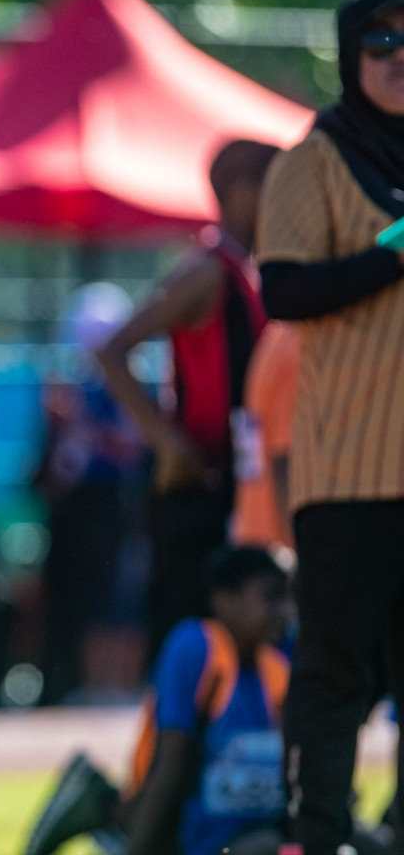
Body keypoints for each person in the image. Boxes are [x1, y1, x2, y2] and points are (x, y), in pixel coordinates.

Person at [256, 0, 404, 855]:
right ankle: (316, 840)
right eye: (381, 45)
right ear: (352, 55)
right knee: (336, 677)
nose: (397, 62)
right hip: (350, 473)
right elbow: (284, 289)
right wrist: (392, 250)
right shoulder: (312, 160)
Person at [21, 547, 380, 855]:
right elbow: (171, 762)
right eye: (270, 596)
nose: (284, 611)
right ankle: (105, 809)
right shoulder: (196, 647)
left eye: (289, 597)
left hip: (266, 827)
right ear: (224, 600)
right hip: (207, 836)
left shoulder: (278, 661)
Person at [96, 139, 278, 664]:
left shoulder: (250, 269)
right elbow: (112, 350)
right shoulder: (205, 270)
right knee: (194, 641)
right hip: (199, 486)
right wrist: (167, 443)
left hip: (237, 484)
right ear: (244, 193)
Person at [34, 283, 144, 705]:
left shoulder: (123, 387)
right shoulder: (77, 385)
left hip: (117, 503)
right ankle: (88, 685)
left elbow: (132, 445)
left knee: (117, 597)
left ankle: (114, 686)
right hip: (78, 510)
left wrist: (82, 424)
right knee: (84, 597)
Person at [229, 320, 300, 555]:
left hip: (254, 535)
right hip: (278, 549)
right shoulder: (298, 345)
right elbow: (284, 458)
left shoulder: (277, 334)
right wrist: (296, 553)